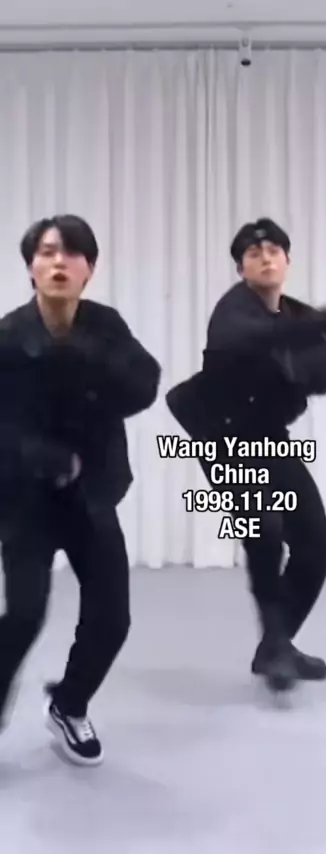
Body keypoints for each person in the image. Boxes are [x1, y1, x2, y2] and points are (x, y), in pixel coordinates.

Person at [166, 218, 326, 694]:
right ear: (241, 269)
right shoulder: (232, 311)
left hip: (268, 437)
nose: (265, 258)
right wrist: (318, 331)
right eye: (254, 255)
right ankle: (276, 648)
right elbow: (251, 339)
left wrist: (309, 361)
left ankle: (276, 646)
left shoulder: (295, 316)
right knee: (265, 531)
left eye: (274, 251)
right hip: (221, 437)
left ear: (287, 261)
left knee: (317, 546)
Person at [0, 214, 161, 765]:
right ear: (31, 267)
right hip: (27, 501)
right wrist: (39, 455)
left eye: (71, 253)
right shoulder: (8, 337)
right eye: (47, 252)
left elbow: (144, 383)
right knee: (24, 616)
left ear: (89, 269)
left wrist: (89, 358)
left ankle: (69, 705)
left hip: (89, 496)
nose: (58, 262)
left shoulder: (106, 326)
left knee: (113, 620)